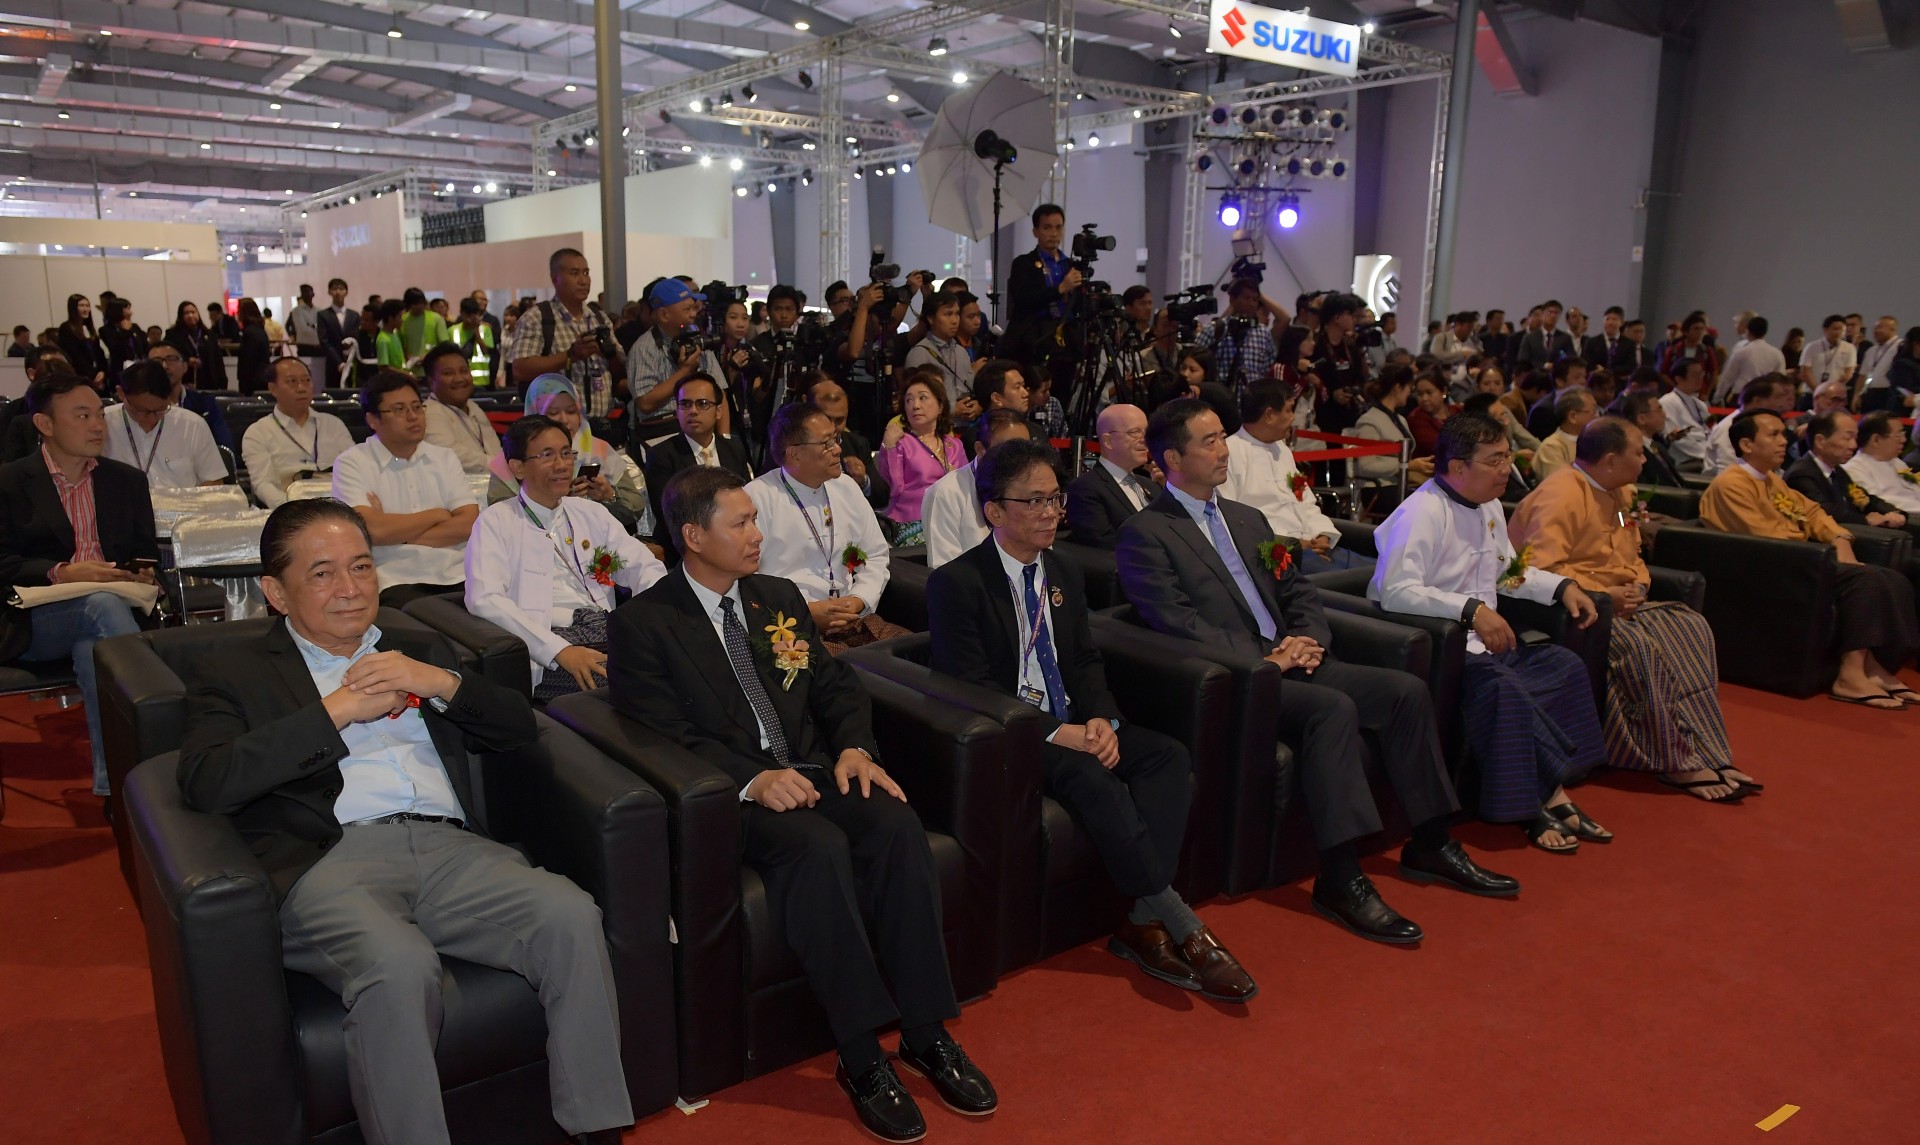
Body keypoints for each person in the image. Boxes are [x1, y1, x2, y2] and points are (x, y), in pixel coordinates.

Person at [175, 498, 632, 1145]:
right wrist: (337, 710)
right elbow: (206, 779)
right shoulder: (232, 670)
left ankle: (597, 1128)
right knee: (398, 965)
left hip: (451, 850)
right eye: (323, 573)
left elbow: (517, 727)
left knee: (571, 916)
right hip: (330, 860)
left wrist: (439, 681)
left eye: (361, 566)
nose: (350, 587)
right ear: (276, 592)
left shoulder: (415, 646)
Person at [611, 466, 998, 1142]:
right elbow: (661, 733)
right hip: (731, 796)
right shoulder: (645, 624)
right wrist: (751, 780)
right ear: (694, 536)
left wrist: (856, 749)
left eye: (755, 520)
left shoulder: (777, 595)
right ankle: (860, 1053)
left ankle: (925, 1030)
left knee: (896, 824)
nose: (757, 535)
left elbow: (834, 685)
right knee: (817, 847)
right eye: (741, 523)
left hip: (814, 768)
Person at [1117, 399, 1516, 943]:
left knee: (1404, 691)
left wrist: (1308, 641)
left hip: (1294, 657)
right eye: (1209, 441)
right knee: (1333, 709)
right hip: (1240, 677)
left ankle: (1431, 840)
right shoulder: (1146, 532)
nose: (1224, 449)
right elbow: (1175, 622)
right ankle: (1341, 877)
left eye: (1223, 437)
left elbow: (1297, 591)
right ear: (1172, 458)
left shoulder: (1247, 518)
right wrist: (1265, 659)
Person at [930, 438, 1255, 1000]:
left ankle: (1141, 921)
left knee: (1166, 757)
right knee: (1089, 775)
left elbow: (1082, 659)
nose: (1050, 513)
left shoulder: (1064, 569)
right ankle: (1181, 922)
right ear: (995, 511)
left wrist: (1103, 717)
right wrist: (1060, 732)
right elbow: (972, 686)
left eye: (1055, 499)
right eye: (1034, 501)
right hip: (1016, 732)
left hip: (1077, 717)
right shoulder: (958, 583)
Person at [1369, 413, 1611, 852]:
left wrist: (1561, 587)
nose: (1507, 469)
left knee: (1564, 665)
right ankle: (1541, 801)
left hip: (1487, 644)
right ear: (1457, 467)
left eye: (1506, 457)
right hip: (1440, 648)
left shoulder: (1490, 505)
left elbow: (1506, 574)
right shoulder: (1421, 512)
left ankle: (1551, 786)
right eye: (1495, 460)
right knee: (1503, 688)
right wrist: (1470, 611)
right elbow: (1396, 591)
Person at [1510, 418, 1761, 802]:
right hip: (1581, 607)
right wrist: (1605, 594)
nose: (1646, 460)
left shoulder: (1620, 492)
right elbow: (1541, 569)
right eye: (1639, 452)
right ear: (1611, 460)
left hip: (1622, 601)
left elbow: (1632, 550)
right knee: (1642, 648)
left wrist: (1639, 584)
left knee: (1691, 627)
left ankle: (1707, 750)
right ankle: (1675, 760)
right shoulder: (1560, 494)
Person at [0, 371, 160, 796]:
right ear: (45, 424)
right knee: (100, 605)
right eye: (82, 416)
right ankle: (159, 741)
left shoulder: (126, 481)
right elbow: (3, 564)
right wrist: (63, 572)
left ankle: (118, 788)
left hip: (113, 615)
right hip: (32, 621)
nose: (97, 426)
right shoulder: (9, 483)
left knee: (94, 648)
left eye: (100, 415)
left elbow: (146, 553)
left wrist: (143, 573)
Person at [1704, 411, 1920, 706]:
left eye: (1783, 433)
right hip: (1769, 568)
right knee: (1864, 580)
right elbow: (1765, 536)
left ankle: (1873, 665)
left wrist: (1840, 538)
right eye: (1773, 435)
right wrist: (1821, 551)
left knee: (1892, 578)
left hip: (1802, 559)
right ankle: (1850, 674)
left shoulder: (1772, 480)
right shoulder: (1731, 484)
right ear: (1746, 444)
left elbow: (1814, 512)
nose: (1784, 441)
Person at [467, 416, 665, 701]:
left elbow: (644, 566)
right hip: (548, 644)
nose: (561, 465)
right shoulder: (496, 521)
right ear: (518, 467)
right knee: (637, 682)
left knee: (683, 661)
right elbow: (485, 599)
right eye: (547, 455)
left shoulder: (590, 512)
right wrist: (559, 650)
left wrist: (655, 622)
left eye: (566, 453)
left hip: (608, 630)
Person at [744, 403, 907, 652]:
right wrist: (804, 612)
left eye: (836, 439)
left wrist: (858, 599)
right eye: (826, 443)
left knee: (917, 652)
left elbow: (875, 554)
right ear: (794, 454)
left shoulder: (846, 487)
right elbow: (747, 580)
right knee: (847, 670)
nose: (838, 449)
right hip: (792, 629)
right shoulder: (757, 497)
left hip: (854, 618)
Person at [331, 369, 478, 608]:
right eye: (399, 410)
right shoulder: (352, 463)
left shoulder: (444, 458)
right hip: (396, 579)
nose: (412, 416)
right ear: (372, 420)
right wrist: (438, 515)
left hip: (458, 572)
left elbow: (469, 523)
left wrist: (396, 534)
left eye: (417, 407)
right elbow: (370, 530)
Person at [1221, 380, 1371, 574]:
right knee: (1373, 580)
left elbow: (1304, 502)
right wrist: (1295, 545)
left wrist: (1323, 534)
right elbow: (1234, 524)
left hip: (1314, 545)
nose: (1293, 418)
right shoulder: (1229, 453)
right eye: (1289, 410)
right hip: (1277, 557)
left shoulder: (1281, 449)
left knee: (1384, 570)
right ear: (1269, 415)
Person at [496, 374, 650, 538]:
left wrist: (608, 496)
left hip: (596, 542)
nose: (564, 420)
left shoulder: (599, 450)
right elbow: (502, 519)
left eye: (571, 411)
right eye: (553, 413)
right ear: (534, 414)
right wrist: (557, 501)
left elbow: (635, 508)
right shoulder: (512, 457)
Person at [508, 249, 622, 423]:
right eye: (574, 273)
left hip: (602, 423)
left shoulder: (600, 318)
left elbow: (620, 368)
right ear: (555, 279)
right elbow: (520, 370)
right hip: (556, 425)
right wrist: (570, 355)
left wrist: (608, 352)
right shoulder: (537, 318)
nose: (583, 280)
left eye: (586, 273)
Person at [641, 373, 752, 545]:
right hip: (688, 544)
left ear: (718, 411)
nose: (693, 411)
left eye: (702, 404)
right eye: (685, 404)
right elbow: (669, 516)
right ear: (677, 411)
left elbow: (747, 499)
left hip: (736, 540)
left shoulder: (733, 448)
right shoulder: (661, 455)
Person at [922, 408, 1032, 568]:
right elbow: (944, 570)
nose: (1020, 459)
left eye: (1026, 449)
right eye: (1009, 450)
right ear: (981, 450)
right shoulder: (945, 493)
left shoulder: (1031, 487)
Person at [243, 357, 355, 509]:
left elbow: (354, 470)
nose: (301, 387)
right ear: (273, 389)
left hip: (339, 507)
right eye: (292, 381)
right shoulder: (258, 432)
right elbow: (263, 485)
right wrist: (292, 511)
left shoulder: (333, 424)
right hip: (291, 509)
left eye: (306, 380)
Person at [101, 359, 227, 489]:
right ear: (121, 393)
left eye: (160, 410)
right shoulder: (103, 423)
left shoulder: (192, 425)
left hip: (182, 501)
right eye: (142, 411)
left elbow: (214, 483)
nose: (151, 419)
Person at [877, 372, 965, 546]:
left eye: (923, 398)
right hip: (913, 523)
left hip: (951, 518)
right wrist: (889, 446)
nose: (915, 405)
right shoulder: (901, 443)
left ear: (940, 406)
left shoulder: (955, 445)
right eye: (909, 400)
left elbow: (966, 488)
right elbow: (893, 489)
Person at [626, 277, 724, 430]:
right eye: (687, 309)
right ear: (664, 315)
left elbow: (720, 394)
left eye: (694, 308)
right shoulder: (644, 348)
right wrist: (685, 371)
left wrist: (725, 437)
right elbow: (645, 403)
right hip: (660, 434)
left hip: (702, 432)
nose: (693, 314)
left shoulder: (698, 341)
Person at [1785, 410, 1907, 528]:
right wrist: (1866, 520)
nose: (1854, 445)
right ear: (1820, 441)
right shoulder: (1801, 474)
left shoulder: (1836, 470)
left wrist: (1893, 512)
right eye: (1847, 438)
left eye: (1855, 438)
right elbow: (1823, 510)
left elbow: (1865, 498)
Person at [1065, 403, 1155, 549]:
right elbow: (1102, 545)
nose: (1145, 439)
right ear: (1108, 441)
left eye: (1147, 432)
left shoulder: (1152, 485)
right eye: (1135, 433)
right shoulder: (1085, 489)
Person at [419, 343, 502, 476]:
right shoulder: (429, 414)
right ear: (431, 382)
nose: (459, 379)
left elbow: (495, 450)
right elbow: (449, 456)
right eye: (448, 373)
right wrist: (501, 467)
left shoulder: (473, 407)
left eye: (464, 371)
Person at [1195, 279, 1285, 394]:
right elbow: (1195, 360)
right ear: (1232, 299)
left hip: (1252, 399)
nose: (1252, 304)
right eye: (1247, 298)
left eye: (1255, 299)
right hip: (1220, 397)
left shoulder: (1264, 333)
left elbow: (1267, 367)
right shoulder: (1214, 329)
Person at [147, 340, 234, 453]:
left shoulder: (204, 403)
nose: (164, 366)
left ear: (185, 366)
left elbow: (225, 448)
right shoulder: (139, 406)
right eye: (156, 361)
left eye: (171, 359)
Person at [1703, 373, 1796, 475]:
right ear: (1757, 401)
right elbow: (1727, 473)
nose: (1784, 404)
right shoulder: (1730, 428)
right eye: (1779, 397)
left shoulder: (1768, 425)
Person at [1846, 411, 1920, 514]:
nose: (1903, 440)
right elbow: (1879, 503)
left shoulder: (1896, 462)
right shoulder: (1855, 469)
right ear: (1876, 440)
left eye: (1903, 434)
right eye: (1898, 435)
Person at [901, 292, 973, 395]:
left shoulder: (961, 352)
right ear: (931, 318)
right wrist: (953, 405)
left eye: (957, 314)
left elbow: (970, 387)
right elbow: (915, 397)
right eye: (948, 314)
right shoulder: (918, 354)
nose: (955, 320)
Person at [1712, 315, 1783, 406]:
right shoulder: (1777, 354)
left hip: (1742, 395)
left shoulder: (1742, 352)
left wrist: (1717, 398)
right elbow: (1780, 379)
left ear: (1748, 331)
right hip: (1765, 397)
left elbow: (1728, 378)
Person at [1623, 390, 1688, 488]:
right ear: (1642, 419)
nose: (1664, 415)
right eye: (1659, 410)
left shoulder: (1654, 445)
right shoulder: (1634, 453)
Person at [1531, 386, 1596, 482]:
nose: (1597, 417)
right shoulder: (1552, 447)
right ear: (1572, 416)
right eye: (1593, 411)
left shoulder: (1594, 440)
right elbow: (1559, 483)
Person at [1659, 312, 1718, 399]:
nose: (1700, 332)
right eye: (1696, 329)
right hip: (1676, 393)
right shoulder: (1673, 350)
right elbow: (1663, 372)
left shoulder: (1706, 351)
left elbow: (1713, 373)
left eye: (1702, 329)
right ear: (1686, 331)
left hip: (1699, 394)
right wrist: (1676, 386)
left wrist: (1707, 394)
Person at [56, 293, 108, 390]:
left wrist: (102, 371)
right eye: (81, 305)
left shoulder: (89, 329)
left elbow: (99, 353)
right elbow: (74, 355)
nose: (85, 309)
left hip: (97, 377)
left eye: (87, 306)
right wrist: (92, 376)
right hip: (80, 377)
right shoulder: (66, 328)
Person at [318, 277, 360, 389]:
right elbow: (324, 341)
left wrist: (349, 358)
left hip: (351, 362)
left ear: (346, 292)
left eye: (341, 289)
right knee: (333, 391)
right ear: (329, 292)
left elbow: (356, 338)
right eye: (334, 289)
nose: (338, 292)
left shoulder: (354, 315)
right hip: (333, 363)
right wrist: (339, 362)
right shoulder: (323, 315)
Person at [1799, 314, 1858, 394]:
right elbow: (1805, 371)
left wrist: (1831, 390)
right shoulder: (1811, 347)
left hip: (1835, 393)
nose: (1839, 332)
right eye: (1835, 329)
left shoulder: (1849, 348)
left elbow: (1848, 373)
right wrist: (1817, 390)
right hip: (1811, 392)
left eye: (1842, 330)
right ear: (1825, 330)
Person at [1514, 299, 1575, 373]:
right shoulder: (1530, 337)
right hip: (1535, 375)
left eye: (1556, 313)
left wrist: (1556, 366)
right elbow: (1523, 360)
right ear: (1542, 314)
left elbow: (1571, 360)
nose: (1553, 316)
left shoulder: (1565, 338)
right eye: (1550, 312)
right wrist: (1543, 365)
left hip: (1557, 375)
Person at [1406, 371, 1457, 458]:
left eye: (1429, 393)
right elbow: (1438, 447)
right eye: (1420, 394)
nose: (1424, 398)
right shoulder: (1416, 418)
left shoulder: (1457, 410)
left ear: (1444, 391)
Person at [452, 296, 498, 388]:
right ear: (461, 313)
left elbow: (486, 351)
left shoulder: (485, 330)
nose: (470, 318)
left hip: (482, 381)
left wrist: (476, 330)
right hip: (460, 380)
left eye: (473, 314)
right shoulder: (452, 331)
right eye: (467, 314)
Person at [234, 298, 274, 394]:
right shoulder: (259, 330)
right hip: (261, 377)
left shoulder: (249, 333)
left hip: (252, 381)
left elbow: (248, 361)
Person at [98, 296, 147, 374]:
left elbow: (144, 345)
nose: (131, 312)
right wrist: (125, 331)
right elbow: (115, 348)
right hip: (120, 369)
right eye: (128, 308)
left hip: (138, 365)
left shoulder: (134, 327)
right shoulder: (106, 330)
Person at [288, 284, 321, 367]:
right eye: (303, 292)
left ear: (313, 294)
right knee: (305, 369)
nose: (306, 294)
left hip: (319, 348)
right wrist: (315, 328)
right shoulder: (296, 311)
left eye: (307, 292)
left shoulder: (319, 311)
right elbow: (303, 329)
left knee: (319, 371)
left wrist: (312, 326)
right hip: (304, 347)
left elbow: (322, 328)